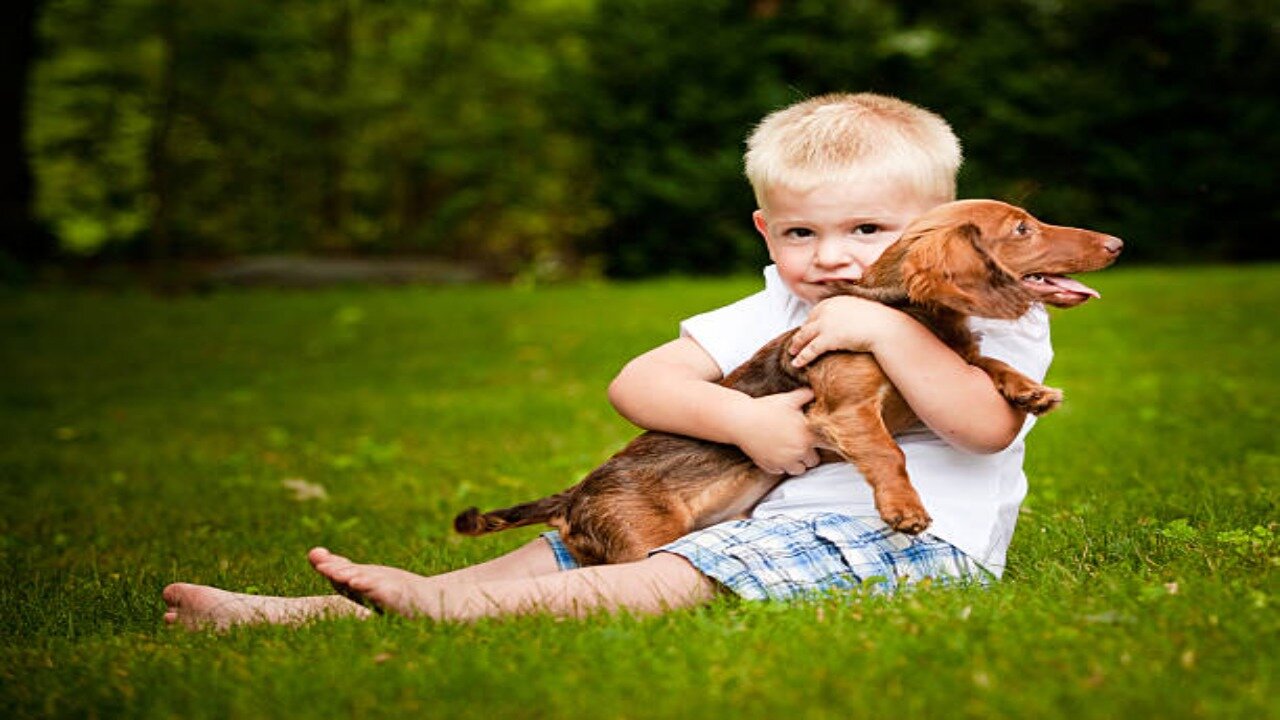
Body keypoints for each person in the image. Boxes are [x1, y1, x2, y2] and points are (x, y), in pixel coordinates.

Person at [164, 92, 1054, 629]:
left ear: (948, 225)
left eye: (868, 230)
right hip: (740, 518)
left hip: (903, 543)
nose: (831, 258)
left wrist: (889, 331)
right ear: (765, 232)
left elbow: (981, 431)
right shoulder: (782, 304)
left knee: (672, 576)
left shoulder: (989, 301)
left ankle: (442, 612)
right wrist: (742, 419)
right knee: (564, 553)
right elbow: (640, 382)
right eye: (801, 232)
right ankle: (321, 612)